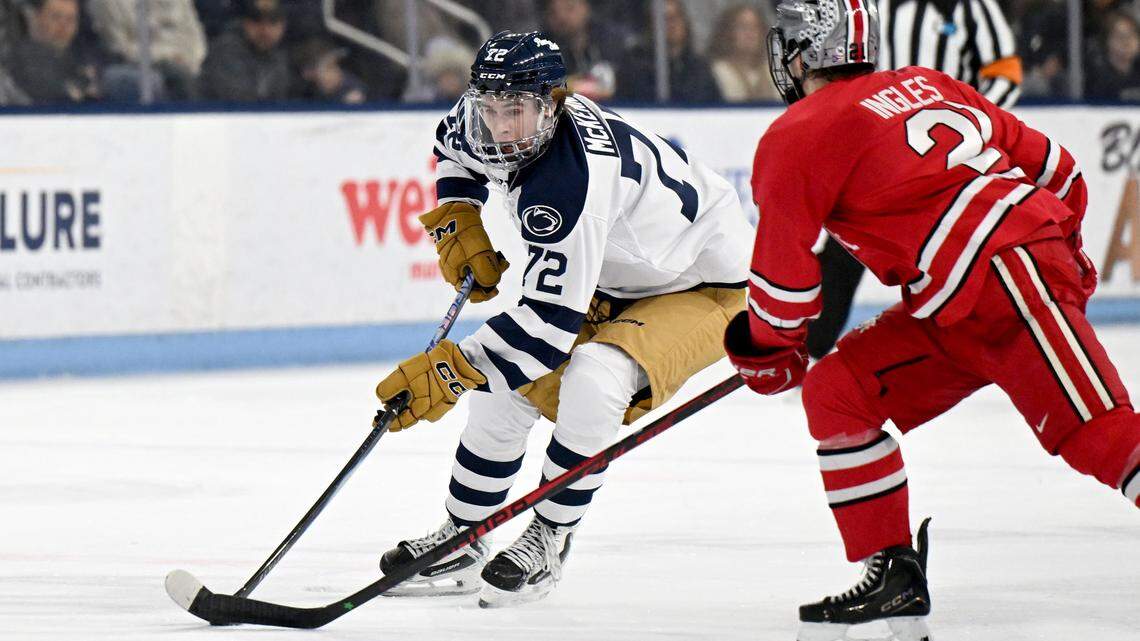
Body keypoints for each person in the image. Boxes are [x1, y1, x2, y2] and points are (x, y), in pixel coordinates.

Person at [723, 1, 1140, 640]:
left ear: (800, 52)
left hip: (1001, 276)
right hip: (963, 302)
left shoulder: (796, 132)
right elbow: (1059, 170)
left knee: (1101, 436)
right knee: (840, 391)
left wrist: (764, 350)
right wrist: (1062, 254)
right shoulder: (928, 83)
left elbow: (783, 288)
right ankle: (893, 575)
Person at [373, 30, 750, 608]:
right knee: (502, 389)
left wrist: (450, 369)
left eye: (516, 112)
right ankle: (464, 535)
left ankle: (550, 535)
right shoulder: (490, 113)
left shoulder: (569, 183)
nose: (500, 128)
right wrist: (459, 212)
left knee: (595, 377)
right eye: (491, 109)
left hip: (704, 282)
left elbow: (547, 331)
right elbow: (452, 148)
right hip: (618, 275)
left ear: (554, 102)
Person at [808, 0, 1026, 360]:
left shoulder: (968, 6)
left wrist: (972, 121)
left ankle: (997, 332)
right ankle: (811, 343)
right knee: (848, 242)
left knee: (958, 244)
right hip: (878, 146)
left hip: (947, 154)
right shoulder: (867, 6)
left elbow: (1005, 70)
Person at [87, 0, 206, 101]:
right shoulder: (107, 3)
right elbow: (119, 46)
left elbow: (195, 38)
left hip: (187, 64)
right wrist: (168, 55)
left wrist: (189, 60)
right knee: (176, 78)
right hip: (132, 67)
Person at [617, 0, 721, 103]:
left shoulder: (699, 67)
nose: (672, 24)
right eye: (664, 19)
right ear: (651, 24)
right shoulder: (636, 65)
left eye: (676, 17)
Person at [198, 0, 292, 101]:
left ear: (282, 27)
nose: (265, 31)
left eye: (272, 23)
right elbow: (234, 98)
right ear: (245, 24)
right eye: (257, 22)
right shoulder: (225, 51)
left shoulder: (281, 56)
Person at [8, 0, 100, 104]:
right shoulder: (24, 59)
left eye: (70, 19)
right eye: (56, 17)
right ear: (37, 18)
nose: (63, 26)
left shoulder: (77, 59)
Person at [707, 4, 780, 103]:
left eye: (755, 27)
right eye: (742, 27)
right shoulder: (715, 72)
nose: (749, 34)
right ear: (728, 32)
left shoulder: (776, 71)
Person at [1086, 11, 1140, 102]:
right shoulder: (1098, 79)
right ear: (1106, 41)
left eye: (1132, 35)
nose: (1127, 42)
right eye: (1119, 36)